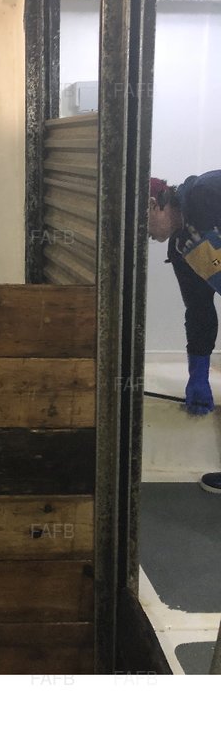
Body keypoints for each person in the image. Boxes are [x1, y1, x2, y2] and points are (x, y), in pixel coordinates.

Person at [148, 171, 221, 494]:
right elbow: (200, 310)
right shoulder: (181, 248)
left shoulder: (207, 193)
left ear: (154, 205)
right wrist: (198, 372)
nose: (145, 236)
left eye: (142, 225)